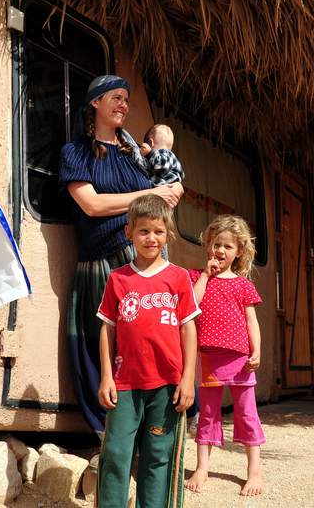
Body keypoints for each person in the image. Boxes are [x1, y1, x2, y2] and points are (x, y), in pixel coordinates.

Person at [59, 75, 184, 433]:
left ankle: (151, 428)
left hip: (142, 261)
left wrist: (170, 190)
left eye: (126, 100)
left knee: (148, 343)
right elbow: (92, 205)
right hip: (102, 262)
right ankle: (108, 433)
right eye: (115, 97)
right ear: (95, 102)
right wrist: (149, 197)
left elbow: (162, 191)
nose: (123, 105)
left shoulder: (133, 155)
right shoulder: (75, 152)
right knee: (102, 344)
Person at [95, 194, 199, 508]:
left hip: (167, 385)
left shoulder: (179, 278)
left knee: (158, 454)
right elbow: (107, 329)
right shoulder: (118, 279)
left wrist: (188, 379)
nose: (151, 238)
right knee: (116, 452)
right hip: (125, 383)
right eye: (143, 231)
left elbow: (188, 329)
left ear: (168, 234)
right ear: (129, 231)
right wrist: (106, 377)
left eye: (158, 231)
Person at [184, 214, 265, 497]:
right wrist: (206, 275)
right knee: (207, 414)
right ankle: (202, 467)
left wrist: (257, 351)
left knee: (247, 413)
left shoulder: (243, 284)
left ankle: (254, 470)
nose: (220, 250)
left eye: (228, 246)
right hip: (210, 357)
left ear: (239, 251)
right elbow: (191, 305)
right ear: (208, 245)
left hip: (241, 359)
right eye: (216, 244)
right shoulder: (197, 277)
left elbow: (252, 322)